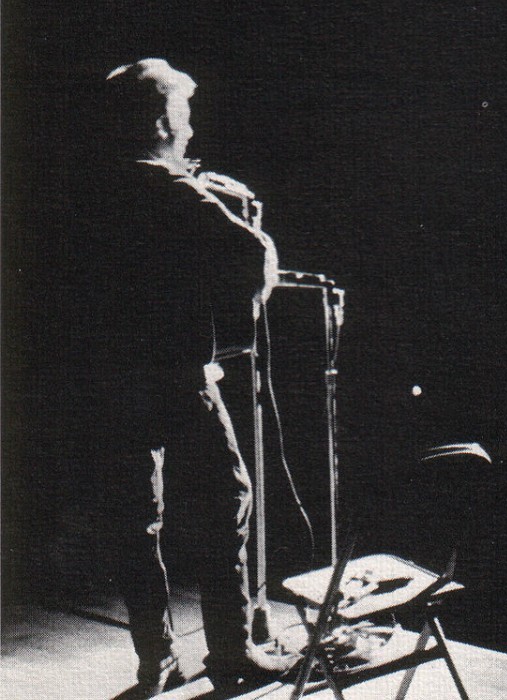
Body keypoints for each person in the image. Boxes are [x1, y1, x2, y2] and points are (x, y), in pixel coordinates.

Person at [80, 58, 293, 697]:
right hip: (173, 375)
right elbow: (249, 258)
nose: (191, 128)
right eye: (184, 113)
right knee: (225, 499)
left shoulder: (89, 186)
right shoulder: (169, 186)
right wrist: (246, 213)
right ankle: (231, 649)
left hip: (103, 377)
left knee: (134, 519)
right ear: (159, 121)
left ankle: (157, 661)